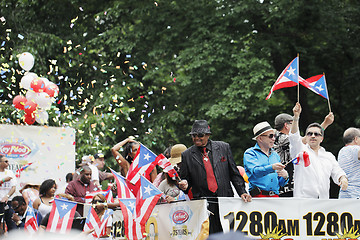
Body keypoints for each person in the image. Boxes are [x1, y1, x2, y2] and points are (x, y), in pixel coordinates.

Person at [179, 120, 251, 234]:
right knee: (209, 235)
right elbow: (185, 179)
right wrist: (184, 184)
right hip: (204, 205)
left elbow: (234, 173)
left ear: (208, 135)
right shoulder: (187, 155)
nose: (196, 138)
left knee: (228, 233)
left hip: (226, 200)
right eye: (193, 135)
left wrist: (242, 191)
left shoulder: (223, 147)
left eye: (200, 135)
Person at [289, 102, 348, 199]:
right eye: (309, 134)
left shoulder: (328, 156)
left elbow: (337, 171)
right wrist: (296, 117)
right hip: (303, 200)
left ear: (322, 138)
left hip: (323, 202)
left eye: (316, 134)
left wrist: (343, 178)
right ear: (306, 137)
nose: (313, 136)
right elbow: (294, 137)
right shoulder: (299, 150)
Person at [274, 112, 335, 197]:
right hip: (284, 184)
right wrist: (325, 124)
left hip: (290, 183)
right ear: (286, 125)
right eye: (293, 123)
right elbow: (301, 140)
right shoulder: (279, 136)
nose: (295, 125)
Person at [244, 121, 289, 198]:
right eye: (271, 136)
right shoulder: (250, 153)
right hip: (258, 197)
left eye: (274, 136)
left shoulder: (275, 155)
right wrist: (272, 167)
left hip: (275, 197)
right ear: (260, 138)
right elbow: (256, 172)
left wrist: (285, 177)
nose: (274, 139)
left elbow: (280, 183)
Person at [338, 127, 360, 198]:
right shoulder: (355, 148)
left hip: (344, 194)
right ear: (356, 139)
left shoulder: (342, 151)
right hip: (356, 193)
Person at [0, 154, 17, 231]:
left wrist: (7, 196)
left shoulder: (9, 172)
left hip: (8, 202)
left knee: (11, 223)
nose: (8, 163)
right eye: (6, 161)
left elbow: (13, 187)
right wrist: (3, 180)